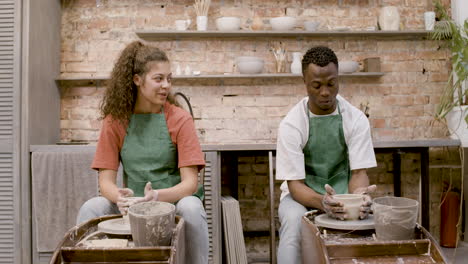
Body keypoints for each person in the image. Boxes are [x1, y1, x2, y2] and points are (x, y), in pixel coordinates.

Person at [76, 41, 208, 264]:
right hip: (132, 205)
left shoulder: (180, 119)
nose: (166, 85)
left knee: (192, 206)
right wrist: (120, 199)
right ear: (137, 80)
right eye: (158, 79)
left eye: (169, 78)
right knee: (92, 207)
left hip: (172, 202)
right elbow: (105, 182)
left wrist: (156, 197)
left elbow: (190, 184)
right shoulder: (115, 121)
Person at [275, 46, 377, 263]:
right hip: (301, 197)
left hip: (342, 194)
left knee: (366, 220)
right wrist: (322, 202)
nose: (325, 92)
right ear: (304, 83)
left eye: (331, 84)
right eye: (317, 85)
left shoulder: (356, 119)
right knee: (294, 222)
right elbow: (295, 184)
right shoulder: (292, 124)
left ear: (338, 79)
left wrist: (358, 197)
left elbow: (359, 173)